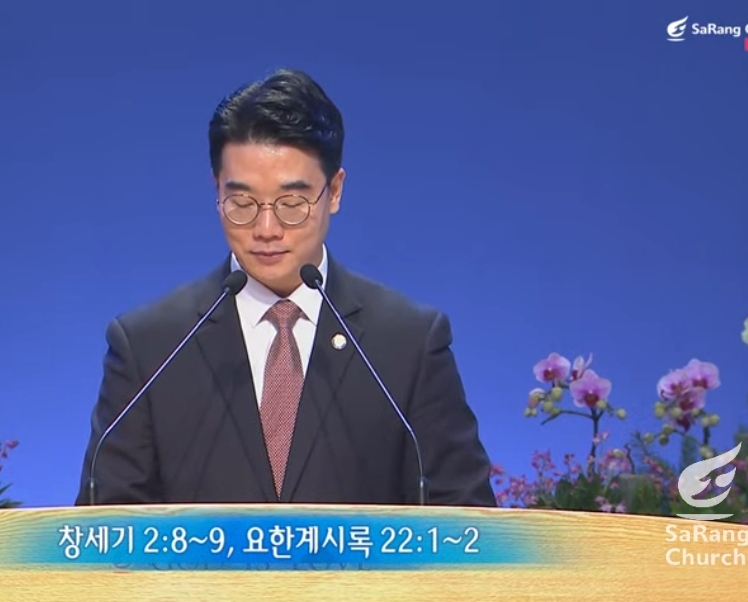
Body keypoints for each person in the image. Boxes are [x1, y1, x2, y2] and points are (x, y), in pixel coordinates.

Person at [76, 68, 496, 507]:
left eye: (292, 203)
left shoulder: (408, 342)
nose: (266, 228)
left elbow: (466, 522)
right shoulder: (150, 347)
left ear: (335, 191)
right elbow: (104, 528)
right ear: (216, 190)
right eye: (241, 202)